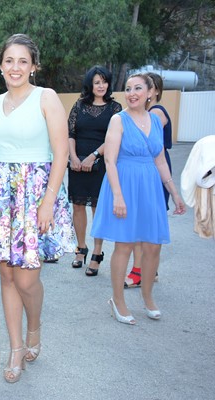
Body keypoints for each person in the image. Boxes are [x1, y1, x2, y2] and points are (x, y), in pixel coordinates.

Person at [0, 34, 75, 383]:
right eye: (9, 61)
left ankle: (34, 326)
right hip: (1, 194)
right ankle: (15, 348)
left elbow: (61, 153)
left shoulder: (46, 97)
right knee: (6, 276)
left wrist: (48, 202)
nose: (15, 67)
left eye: (22, 61)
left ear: (34, 66)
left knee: (26, 279)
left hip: (36, 193)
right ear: (0, 65)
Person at [91, 73, 186, 325]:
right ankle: (118, 300)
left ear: (150, 92)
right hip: (124, 184)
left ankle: (148, 297)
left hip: (150, 186)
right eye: (128, 88)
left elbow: (160, 159)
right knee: (124, 244)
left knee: (153, 244)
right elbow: (110, 160)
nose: (131, 93)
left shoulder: (155, 120)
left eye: (137, 88)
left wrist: (175, 193)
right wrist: (118, 196)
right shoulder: (118, 120)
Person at [67, 66, 122, 276]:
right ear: (90, 84)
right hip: (77, 164)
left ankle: (97, 253)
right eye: (97, 82)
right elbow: (70, 133)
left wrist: (93, 156)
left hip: (101, 164)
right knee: (78, 206)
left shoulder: (115, 108)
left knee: (97, 208)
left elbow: (113, 138)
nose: (101, 85)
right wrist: (73, 157)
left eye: (104, 81)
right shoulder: (79, 105)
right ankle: (81, 248)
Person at [125, 72, 172, 288]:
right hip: (145, 170)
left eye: (144, 87)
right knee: (143, 224)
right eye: (131, 88)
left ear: (154, 91)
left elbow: (148, 145)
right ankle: (146, 270)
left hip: (152, 171)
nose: (136, 92)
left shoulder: (156, 113)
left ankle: (142, 270)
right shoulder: (140, 114)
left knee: (149, 225)